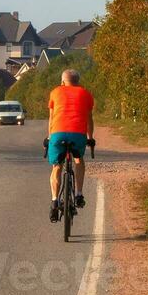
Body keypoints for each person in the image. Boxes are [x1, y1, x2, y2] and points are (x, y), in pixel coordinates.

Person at [45, 69, 95, 222]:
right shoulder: (85, 94)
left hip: (58, 133)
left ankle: (54, 201)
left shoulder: (55, 92)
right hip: (77, 135)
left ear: (62, 82)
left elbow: (52, 118)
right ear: (77, 82)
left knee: (57, 166)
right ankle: (79, 194)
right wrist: (90, 138)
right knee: (78, 160)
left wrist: (49, 137)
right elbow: (89, 120)